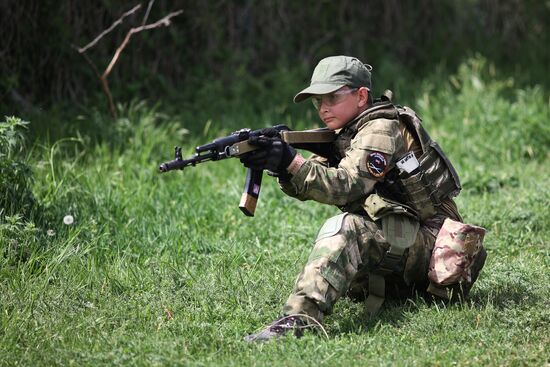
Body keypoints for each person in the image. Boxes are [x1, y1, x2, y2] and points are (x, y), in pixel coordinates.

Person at [240, 56, 486, 342]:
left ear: (361, 96)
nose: (323, 107)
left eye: (332, 96)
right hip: (404, 236)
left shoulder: (379, 129)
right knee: (348, 231)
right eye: (317, 100)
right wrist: (283, 165)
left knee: (347, 227)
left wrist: (291, 162)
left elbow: (345, 186)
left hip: (433, 248)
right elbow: (315, 181)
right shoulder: (348, 132)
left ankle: (300, 320)